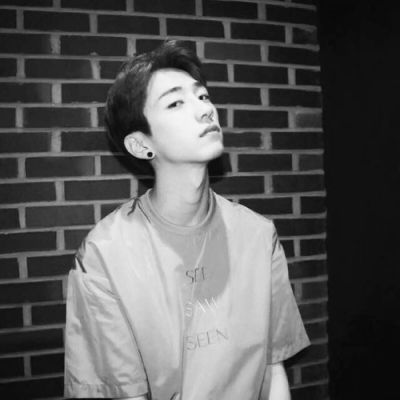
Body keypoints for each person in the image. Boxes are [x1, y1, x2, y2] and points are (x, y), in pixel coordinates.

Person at [64, 40, 310, 400]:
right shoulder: (105, 256)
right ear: (141, 145)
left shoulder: (257, 235)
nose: (205, 110)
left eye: (203, 96)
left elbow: (274, 370)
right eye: (176, 103)